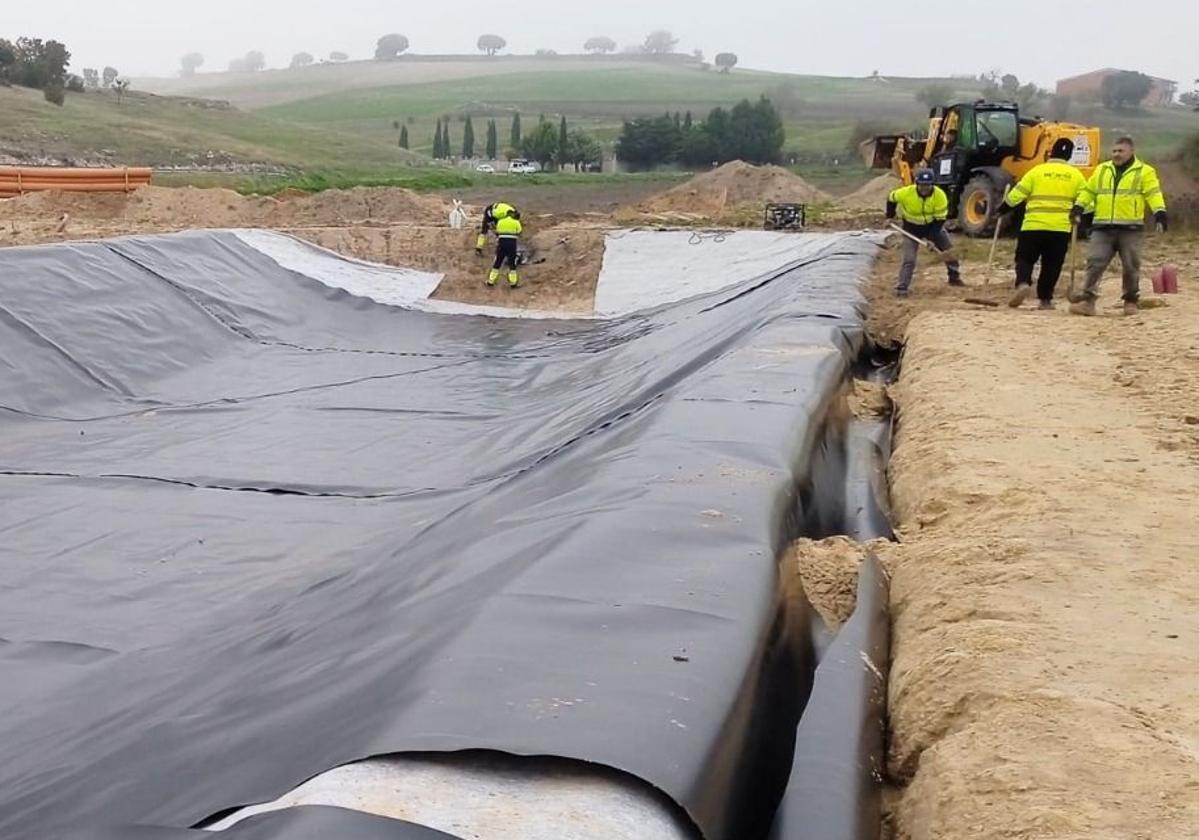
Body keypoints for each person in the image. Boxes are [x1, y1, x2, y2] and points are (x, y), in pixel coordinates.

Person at [1068, 136, 1167, 317]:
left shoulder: (1144, 171)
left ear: (1131, 152)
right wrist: (1078, 208)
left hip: (1130, 227)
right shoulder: (1102, 170)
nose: (1116, 154)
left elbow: (1153, 193)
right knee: (1094, 262)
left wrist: (1160, 213)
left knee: (1130, 265)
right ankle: (1088, 301)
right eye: (1114, 151)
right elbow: (1089, 191)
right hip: (1102, 226)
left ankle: (1130, 301)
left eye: (1121, 151)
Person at [1001, 138, 1087, 310]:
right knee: (1052, 264)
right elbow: (1087, 200)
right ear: (1069, 156)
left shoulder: (1036, 171)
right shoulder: (1076, 175)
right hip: (1059, 229)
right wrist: (1079, 213)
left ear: (1051, 152)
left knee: (1025, 258)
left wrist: (1003, 208)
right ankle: (1045, 299)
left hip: (1033, 226)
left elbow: (1016, 196)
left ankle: (1023, 283)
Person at [886, 169, 963, 297]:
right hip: (911, 229)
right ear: (917, 184)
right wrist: (890, 216)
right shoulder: (906, 193)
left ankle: (954, 277)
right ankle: (902, 288)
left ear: (932, 184)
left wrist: (932, 239)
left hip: (933, 227)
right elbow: (891, 198)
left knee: (948, 251)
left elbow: (940, 220)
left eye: (927, 185)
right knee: (909, 259)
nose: (924, 188)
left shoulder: (940, 196)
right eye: (921, 185)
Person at [487, 209, 523, 288]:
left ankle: (490, 281)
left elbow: (497, 231)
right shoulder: (516, 222)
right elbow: (519, 231)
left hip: (502, 243)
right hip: (511, 244)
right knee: (512, 263)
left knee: (498, 262)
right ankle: (513, 283)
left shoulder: (500, 221)